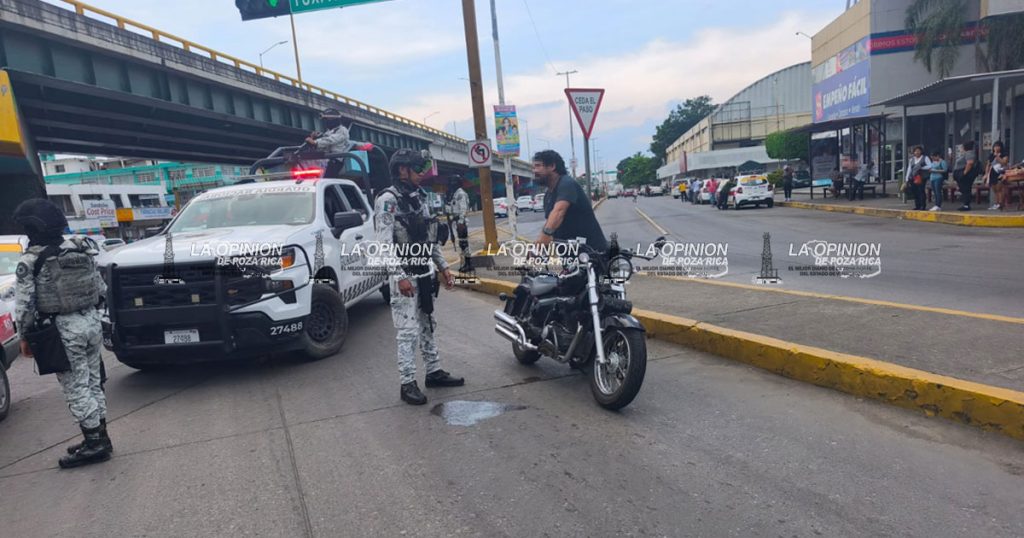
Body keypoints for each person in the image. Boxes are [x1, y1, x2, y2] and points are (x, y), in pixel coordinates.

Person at [13, 199, 111, 469]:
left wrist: (25, 336)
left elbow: (24, 306)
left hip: (63, 329)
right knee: (92, 383)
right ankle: (100, 435)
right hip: (90, 321)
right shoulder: (80, 249)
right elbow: (101, 288)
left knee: (76, 387)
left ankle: (95, 444)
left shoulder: (31, 260)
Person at [374, 149, 463, 405]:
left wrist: (443, 266)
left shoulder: (418, 197)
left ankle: (434, 371)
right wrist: (399, 275)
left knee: (428, 324)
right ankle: (407, 383)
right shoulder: (388, 200)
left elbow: (429, 236)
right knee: (407, 331)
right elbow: (383, 243)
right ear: (403, 170)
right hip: (404, 274)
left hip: (424, 271)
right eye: (417, 168)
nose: (422, 173)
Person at [533, 150, 608, 251]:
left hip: (591, 253)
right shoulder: (548, 195)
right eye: (534, 167)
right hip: (570, 255)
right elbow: (550, 223)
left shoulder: (567, 183)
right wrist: (538, 245)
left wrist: (545, 236)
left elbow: (559, 212)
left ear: (552, 166)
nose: (534, 171)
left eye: (538, 166)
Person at [304, 108, 353, 177]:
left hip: (334, 161)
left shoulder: (342, 130)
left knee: (325, 179)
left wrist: (315, 143)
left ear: (333, 120)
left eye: (327, 120)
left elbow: (330, 140)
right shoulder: (329, 132)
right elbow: (323, 143)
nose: (326, 122)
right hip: (325, 160)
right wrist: (314, 138)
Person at [446, 175, 472, 273]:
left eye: (454, 182)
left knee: (464, 243)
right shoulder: (455, 194)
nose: (452, 184)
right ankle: (466, 263)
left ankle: (469, 264)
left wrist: (460, 222)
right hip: (457, 221)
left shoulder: (460, 193)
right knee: (462, 243)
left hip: (462, 222)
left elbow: (463, 209)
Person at [954, 141, 979, 211]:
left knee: (966, 189)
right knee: (963, 188)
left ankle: (966, 205)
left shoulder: (969, 153)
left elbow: (970, 163)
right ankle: (965, 204)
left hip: (965, 174)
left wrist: (964, 173)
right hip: (961, 172)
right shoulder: (966, 153)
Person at [985, 141, 1010, 210]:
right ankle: (996, 203)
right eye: (995, 146)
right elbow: (988, 164)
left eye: (998, 146)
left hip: (1000, 172)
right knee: (994, 189)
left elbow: (1004, 162)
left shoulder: (1004, 154)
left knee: (1000, 188)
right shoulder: (991, 155)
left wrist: (997, 156)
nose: (996, 148)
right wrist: (986, 174)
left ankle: (1000, 203)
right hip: (992, 172)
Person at [905, 145, 929, 210]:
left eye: (918, 151)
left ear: (921, 151)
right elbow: (909, 169)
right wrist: (907, 178)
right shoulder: (912, 159)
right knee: (915, 192)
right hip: (913, 177)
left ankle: (923, 206)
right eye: (915, 151)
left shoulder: (925, 158)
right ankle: (917, 205)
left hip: (922, 177)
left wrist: (922, 167)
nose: (917, 152)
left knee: (921, 191)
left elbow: (930, 166)